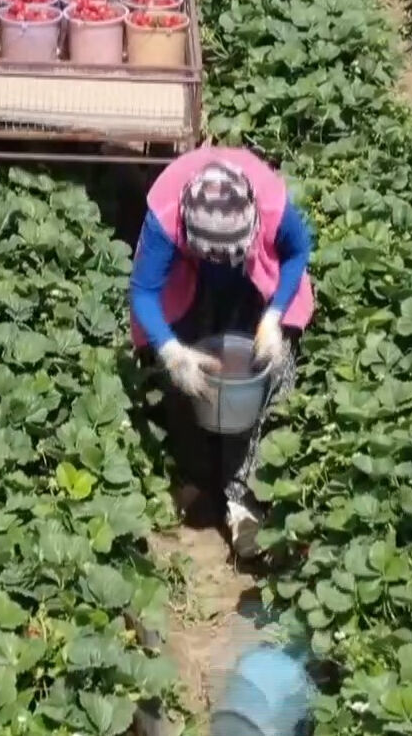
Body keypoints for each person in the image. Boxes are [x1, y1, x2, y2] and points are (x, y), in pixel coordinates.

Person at [129, 146, 314, 558]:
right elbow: (143, 291)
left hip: (254, 280)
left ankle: (241, 497)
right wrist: (173, 351)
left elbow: (299, 251)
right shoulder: (165, 215)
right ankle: (196, 475)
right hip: (189, 281)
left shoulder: (270, 203)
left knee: (266, 378)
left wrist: (273, 315)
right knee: (186, 375)